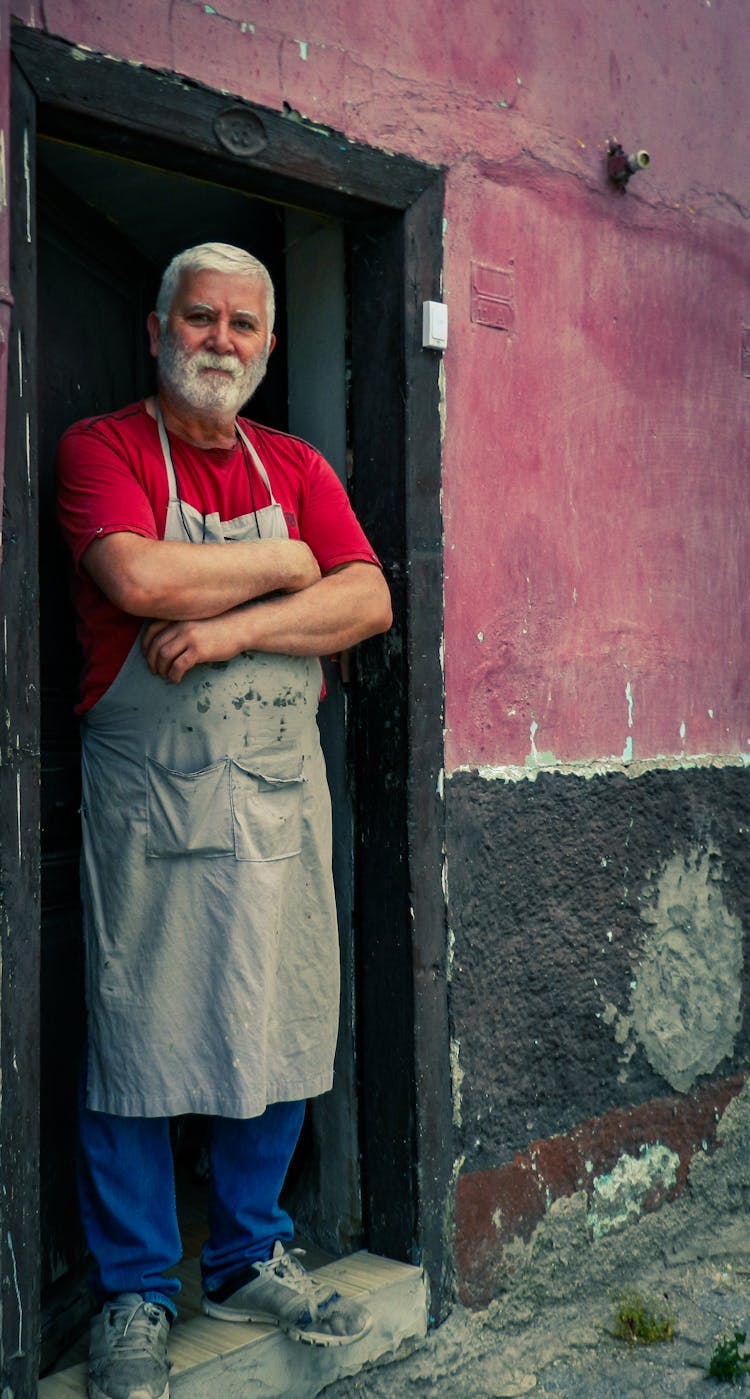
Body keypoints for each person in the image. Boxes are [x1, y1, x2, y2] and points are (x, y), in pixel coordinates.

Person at [56, 241, 393, 1399]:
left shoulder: (294, 460)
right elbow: (139, 581)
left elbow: (367, 598)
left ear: (267, 344)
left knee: (288, 1010)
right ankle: (139, 1289)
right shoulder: (101, 449)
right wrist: (287, 562)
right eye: (199, 320)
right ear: (156, 331)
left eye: (243, 326)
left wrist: (240, 627)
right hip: (155, 796)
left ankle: (250, 1254)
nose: (221, 342)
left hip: (280, 794)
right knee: (137, 1034)